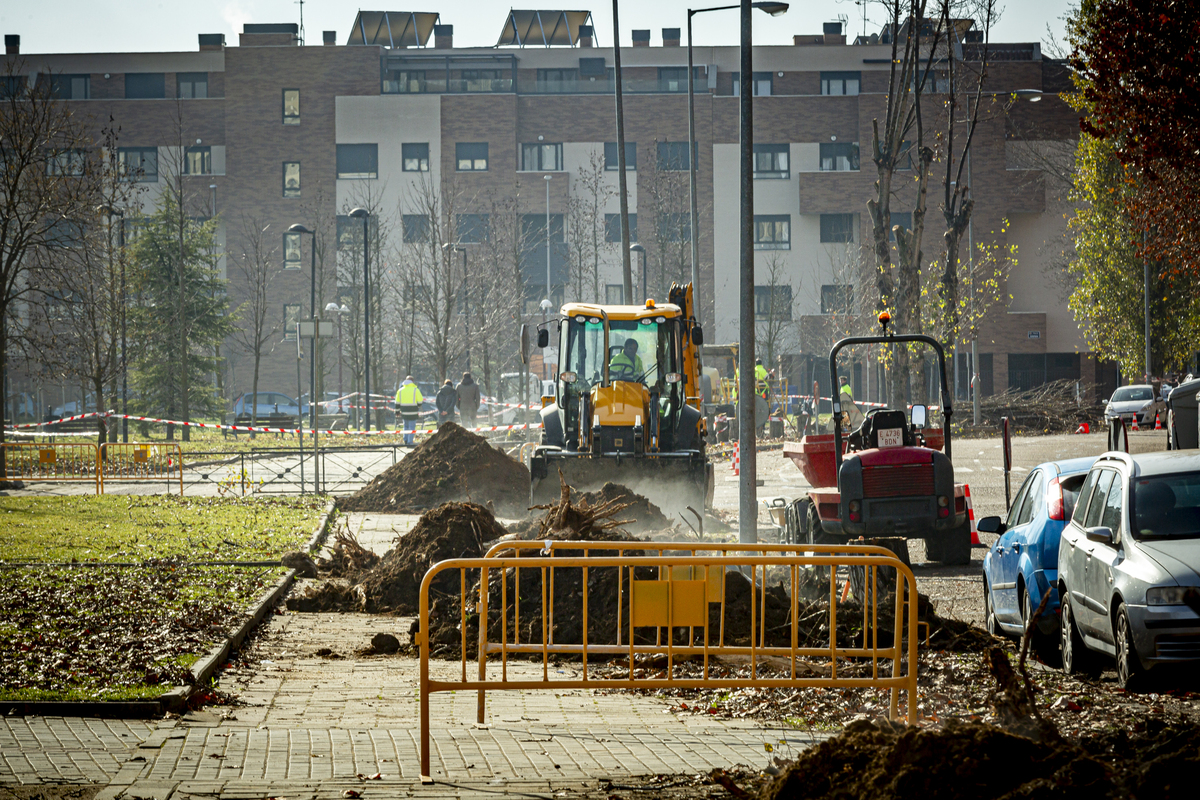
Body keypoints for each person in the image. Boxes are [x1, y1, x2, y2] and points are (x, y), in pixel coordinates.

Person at [396, 376, 423, 446]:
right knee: (411, 427)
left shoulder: (400, 390)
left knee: (406, 426)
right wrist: (418, 406)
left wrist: (397, 411)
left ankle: (405, 439)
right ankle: (410, 441)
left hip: (404, 412)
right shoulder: (415, 390)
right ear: (412, 381)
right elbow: (420, 401)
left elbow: (397, 402)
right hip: (413, 411)